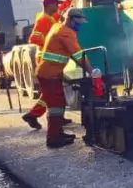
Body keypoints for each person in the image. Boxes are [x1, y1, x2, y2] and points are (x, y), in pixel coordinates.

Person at [22, 0, 81, 130]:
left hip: (50, 58)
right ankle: (35, 115)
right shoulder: (43, 20)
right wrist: (50, 44)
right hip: (46, 58)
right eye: (56, 4)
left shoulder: (52, 17)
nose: (57, 7)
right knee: (52, 92)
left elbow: (63, 9)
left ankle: (52, 117)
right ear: (49, 5)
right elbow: (33, 38)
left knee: (53, 91)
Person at [35, 8, 93, 148]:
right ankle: (53, 139)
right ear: (70, 20)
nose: (79, 25)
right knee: (55, 107)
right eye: (77, 22)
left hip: (50, 73)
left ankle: (58, 133)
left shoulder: (57, 26)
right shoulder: (66, 33)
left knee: (59, 105)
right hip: (49, 75)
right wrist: (92, 72)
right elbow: (79, 56)